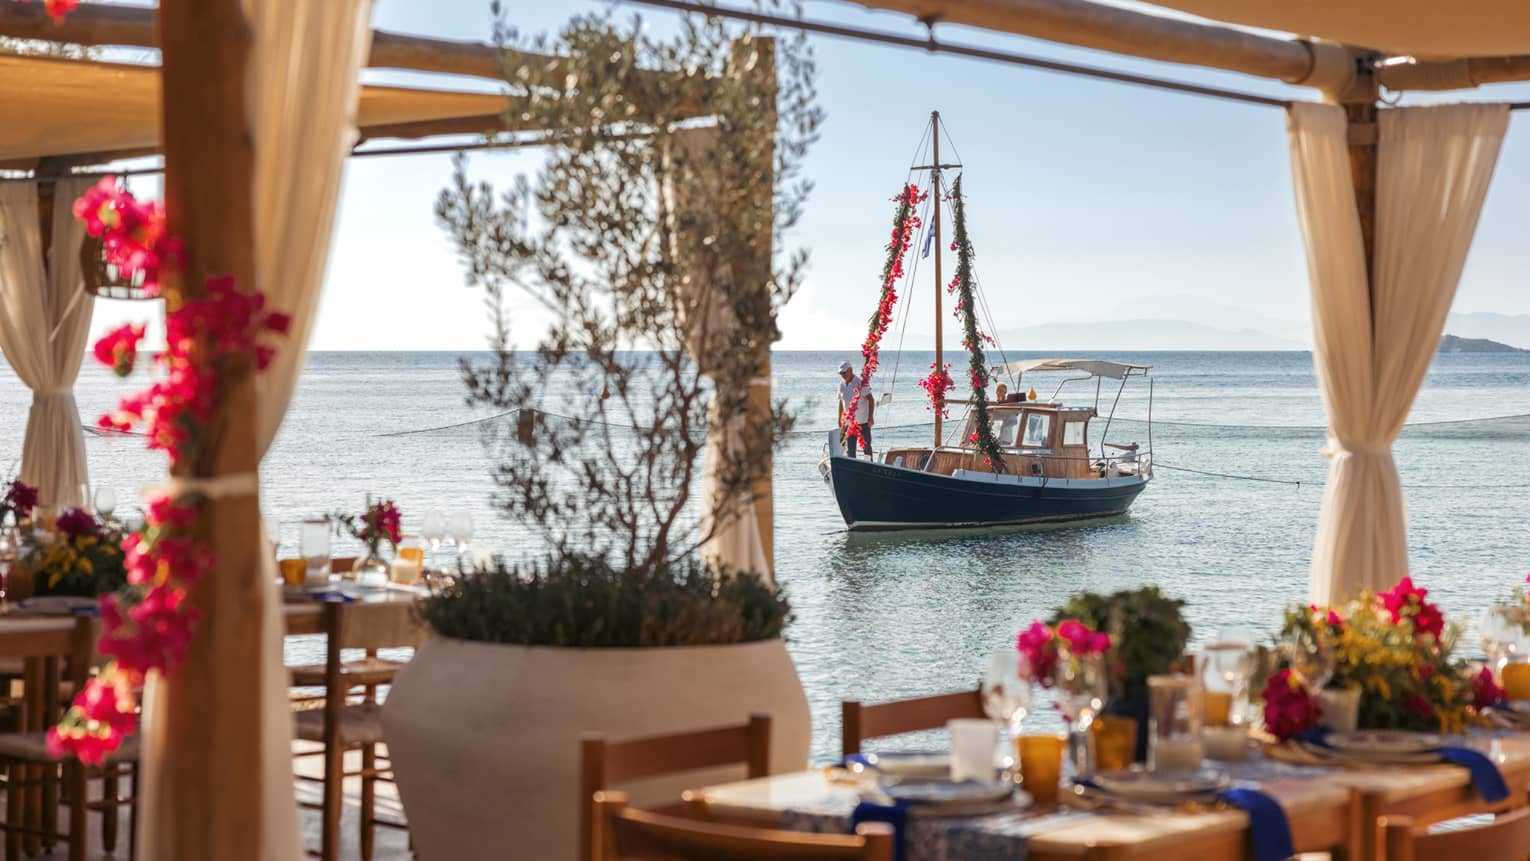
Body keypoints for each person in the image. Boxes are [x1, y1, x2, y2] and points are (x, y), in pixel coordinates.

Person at [837, 360, 875, 458]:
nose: (842, 375)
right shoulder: (841, 385)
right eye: (841, 373)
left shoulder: (859, 383)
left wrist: (870, 417)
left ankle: (869, 468)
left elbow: (871, 399)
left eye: (844, 372)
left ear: (850, 370)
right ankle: (852, 470)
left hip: (863, 422)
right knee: (850, 450)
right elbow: (841, 402)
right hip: (850, 424)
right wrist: (840, 419)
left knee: (866, 448)